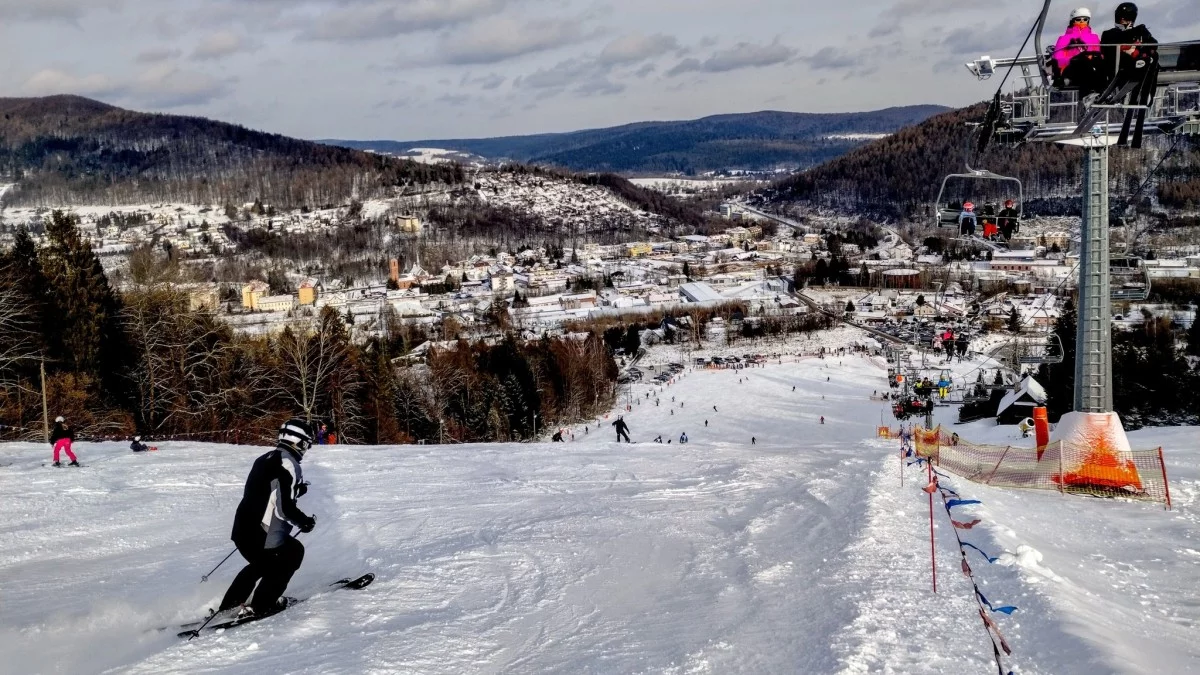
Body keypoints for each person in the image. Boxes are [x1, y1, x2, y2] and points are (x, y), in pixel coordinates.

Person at [218, 418, 317, 617]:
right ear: (299, 441)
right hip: (262, 531)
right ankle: (263, 605)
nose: (307, 448)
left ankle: (229, 606)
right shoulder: (289, 464)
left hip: (242, 529)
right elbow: (284, 510)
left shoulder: (265, 457)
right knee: (292, 553)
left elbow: (265, 490)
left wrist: (297, 490)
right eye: (307, 443)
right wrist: (304, 522)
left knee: (262, 564)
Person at [1053, 8, 1104, 96]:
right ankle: (1088, 94)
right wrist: (1073, 59)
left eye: (1085, 19)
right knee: (1082, 61)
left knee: (1095, 62)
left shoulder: (1094, 38)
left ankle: (1101, 91)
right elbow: (1057, 58)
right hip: (1071, 69)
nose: (1081, 22)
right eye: (1078, 19)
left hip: (1091, 67)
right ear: (1073, 21)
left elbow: (1100, 53)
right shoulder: (1064, 39)